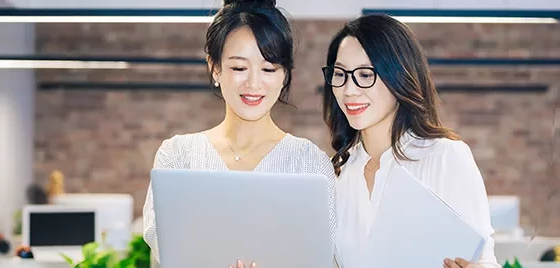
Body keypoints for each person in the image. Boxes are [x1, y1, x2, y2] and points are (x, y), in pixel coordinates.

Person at [142, 0, 337, 267]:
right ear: (215, 67)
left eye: (269, 69)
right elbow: (167, 249)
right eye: (239, 68)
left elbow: (322, 256)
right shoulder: (178, 157)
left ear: (284, 76)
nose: (254, 83)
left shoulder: (310, 163)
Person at [321, 14, 500, 268]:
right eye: (340, 74)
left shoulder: (445, 157)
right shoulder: (338, 172)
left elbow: (484, 260)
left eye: (365, 74)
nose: (349, 90)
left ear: (398, 76)